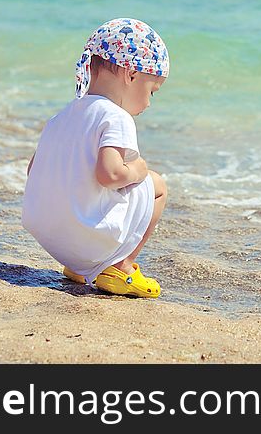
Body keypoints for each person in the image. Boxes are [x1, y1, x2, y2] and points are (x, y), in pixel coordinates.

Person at [22, 18, 169, 298]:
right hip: (85, 237)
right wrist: (137, 169)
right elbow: (110, 174)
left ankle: (80, 267)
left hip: (51, 237)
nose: (149, 103)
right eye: (151, 91)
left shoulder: (62, 116)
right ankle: (120, 266)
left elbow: (34, 169)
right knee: (157, 186)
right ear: (131, 75)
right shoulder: (116, 116)